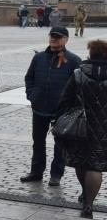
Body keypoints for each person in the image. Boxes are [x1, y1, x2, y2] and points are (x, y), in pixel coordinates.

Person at [21, 26, 81, 186]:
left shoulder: (74, 60)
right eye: (52, 36)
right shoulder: (39, 58)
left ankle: (56, 174)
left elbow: (78, 86)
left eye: (58, 37)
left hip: (60, 111)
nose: (54, 39)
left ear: (66, 40)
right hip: (39, 108)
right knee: (38, 142)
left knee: (60, 144)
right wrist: (31, 95)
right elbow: (29, 77)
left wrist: (69, 105)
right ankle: (36, 171)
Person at [57, 39, 107, 218]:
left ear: (90, 53)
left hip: (79, 127)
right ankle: (88, 204)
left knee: (81, 162)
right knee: (96, 166)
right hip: (104, 131)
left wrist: (59, 119)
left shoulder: (78, 73)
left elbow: (65, 100)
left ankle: (85, 194)